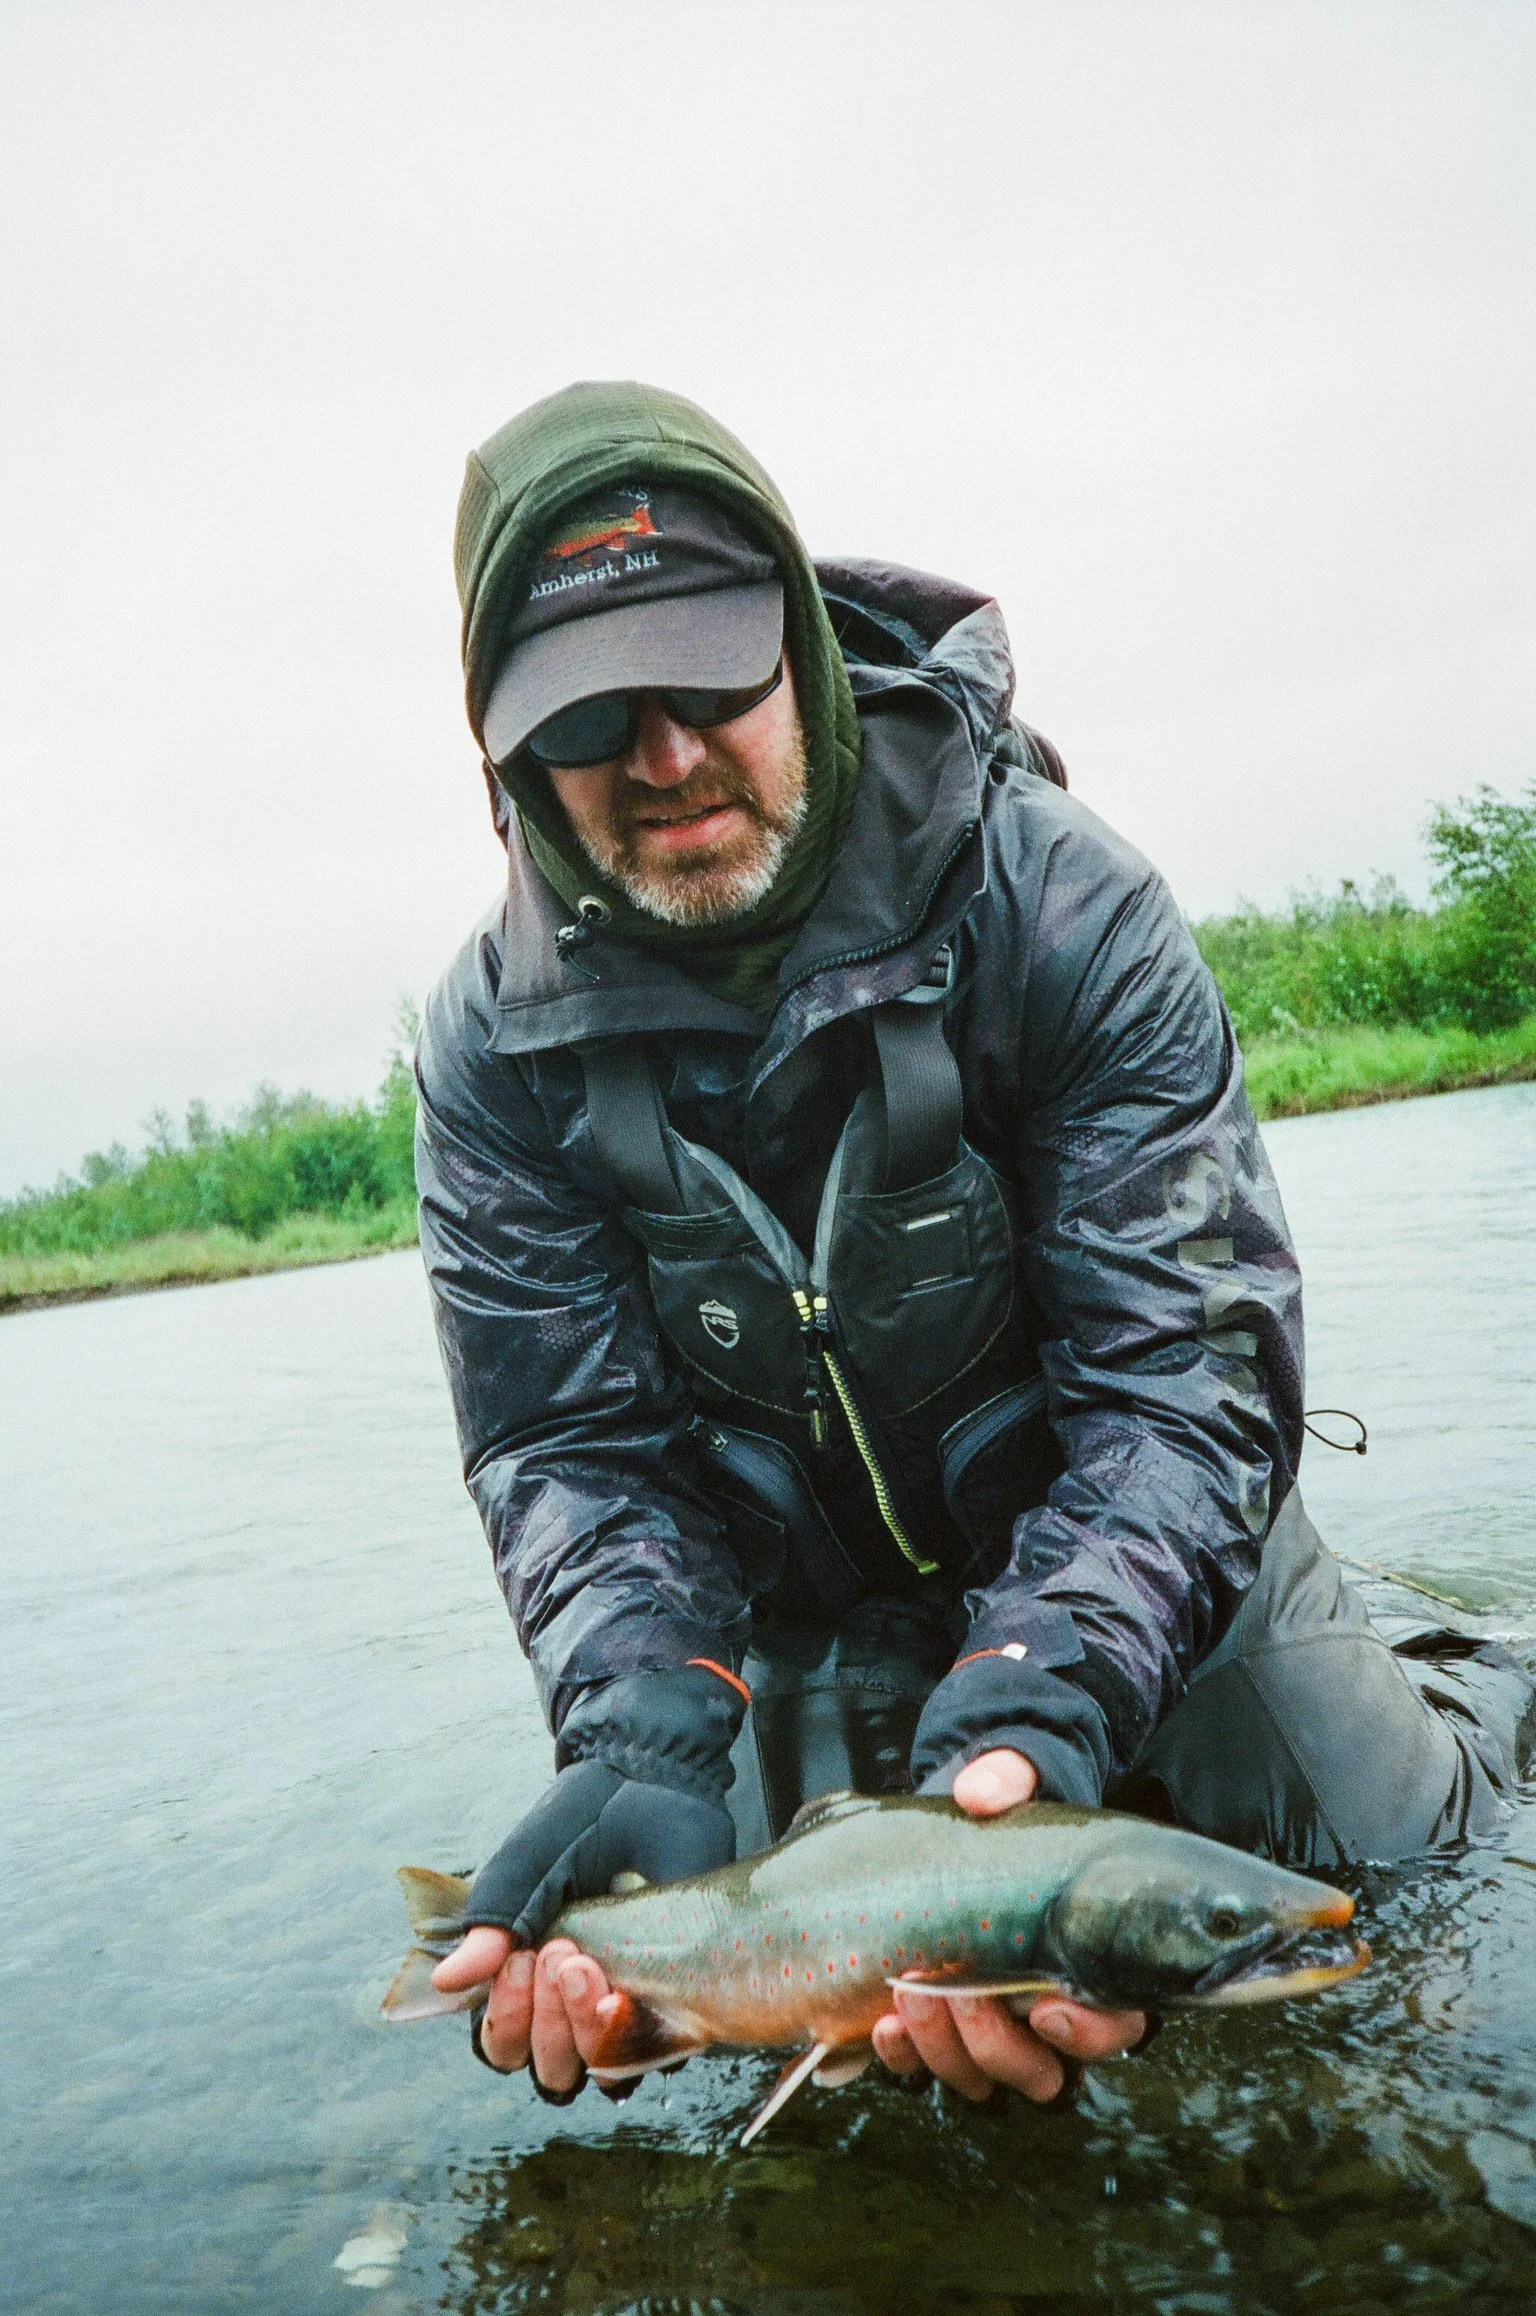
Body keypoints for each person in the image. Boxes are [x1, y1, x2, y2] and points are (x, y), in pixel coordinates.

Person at [418, 381, 1532, 2109]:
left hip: (1150, 1568)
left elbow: (1188, 1383)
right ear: (501, 754)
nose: (664, 755)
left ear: (799, 639)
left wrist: (1042, 1681)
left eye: (712, 674)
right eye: (585, 716)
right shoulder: (492, 1054)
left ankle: (1443, 1691)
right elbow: (569, 1452)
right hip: (805, 1637)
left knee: (1416, 1928)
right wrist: (645, 1712)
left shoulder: (1065, 906)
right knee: (833, 2059)